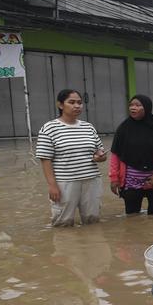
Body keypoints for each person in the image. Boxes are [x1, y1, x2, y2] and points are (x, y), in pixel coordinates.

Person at [37, 89, 106, 227]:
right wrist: (52, 185)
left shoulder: (88, 127)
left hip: (91, 181)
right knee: (63, 222)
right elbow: (45, 159)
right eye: (72, 102)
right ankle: (65, 248)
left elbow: (101, 153)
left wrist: (100, 157)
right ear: (60, 105)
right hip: (65, 183)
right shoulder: (49, 128)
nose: (77, 106)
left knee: (93, 221)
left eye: (79, 103)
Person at [108, 94, 153, 215]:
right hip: (130, 183)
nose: (133, 108)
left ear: (147, 108)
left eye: (138, 105)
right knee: (132, 218)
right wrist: (114, 178)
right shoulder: (123, 129)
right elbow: (115, 156)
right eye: (131, 105)